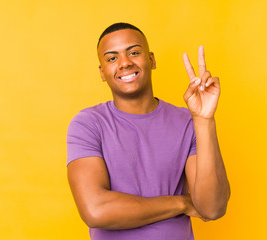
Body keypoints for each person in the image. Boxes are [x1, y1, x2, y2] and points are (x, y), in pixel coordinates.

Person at [66, 22, 230, 240]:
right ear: (103, 72)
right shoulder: (88, 124)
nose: (124, 63)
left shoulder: (187, 122)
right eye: (112, 58)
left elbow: (212, 208)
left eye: (133, 52)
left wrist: (204, 120)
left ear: (151, 60)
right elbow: (96, 210)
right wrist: (181, 202)